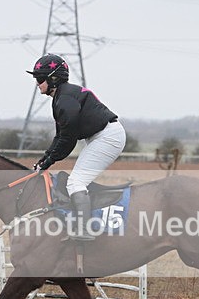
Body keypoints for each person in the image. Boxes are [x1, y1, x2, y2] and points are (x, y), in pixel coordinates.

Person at [27, 53, 126, 241]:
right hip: (101, 136)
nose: (37, 83)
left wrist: (48, 162)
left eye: (40, 79)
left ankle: (84, 230)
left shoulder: (65, 100)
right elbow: (60, 136)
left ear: (53, 79)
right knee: (77, 181)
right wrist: (45, 158)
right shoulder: (61, 98)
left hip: (107, 137)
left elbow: (68, 141)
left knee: (76, 182)